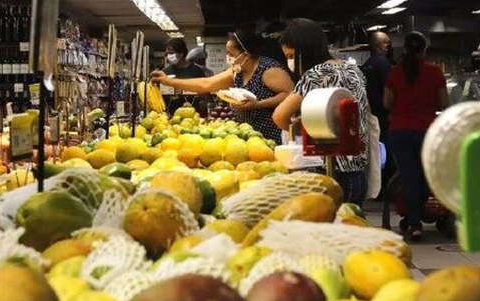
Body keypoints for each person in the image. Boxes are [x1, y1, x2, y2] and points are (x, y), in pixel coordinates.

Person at [273, 18, 371, 206]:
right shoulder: (353, 70)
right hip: (357, 170)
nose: (289, 62)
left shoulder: (315, 75)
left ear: (304, 51)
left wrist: (301, 130)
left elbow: (279, 116)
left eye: (291, 56)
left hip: (330, 171)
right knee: (352, 219)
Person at [151, 29, 294, 143]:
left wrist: (258, 104)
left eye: (230, 53)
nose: (228, 57)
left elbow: (290, 94)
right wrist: (168, 81)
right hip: (247, 136)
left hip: (271, 136)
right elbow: (207, 84)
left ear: (245, 55)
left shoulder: (268, 70)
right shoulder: (237, 71)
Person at [383, 32, 448, 242]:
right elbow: (443, 104)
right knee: (425, 175)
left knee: (408, 176)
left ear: (405, 49)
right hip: (427, 131)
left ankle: (414, 223)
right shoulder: (435, 72)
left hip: (399, 131)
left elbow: (386, 103)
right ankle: (419, 215)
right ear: (424, 50)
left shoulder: (395, 72)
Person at [362, 31, 395, 199]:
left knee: (376, 153)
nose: (389, 46)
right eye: (386, 43)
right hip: (384, 115)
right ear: (379, 45)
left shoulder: (367, 63)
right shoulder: (383, 63)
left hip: (371, 114)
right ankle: (386, 190)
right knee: (387, 154)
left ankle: (377, 189)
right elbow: (390, 89)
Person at [161, 38, 207, 115]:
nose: (168, 56)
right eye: (167, 53)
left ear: (181, 53)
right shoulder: (165, 72)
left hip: (194, 115)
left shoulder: (197, 71)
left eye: (171, 53)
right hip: (171, 115)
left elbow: (205, 93)